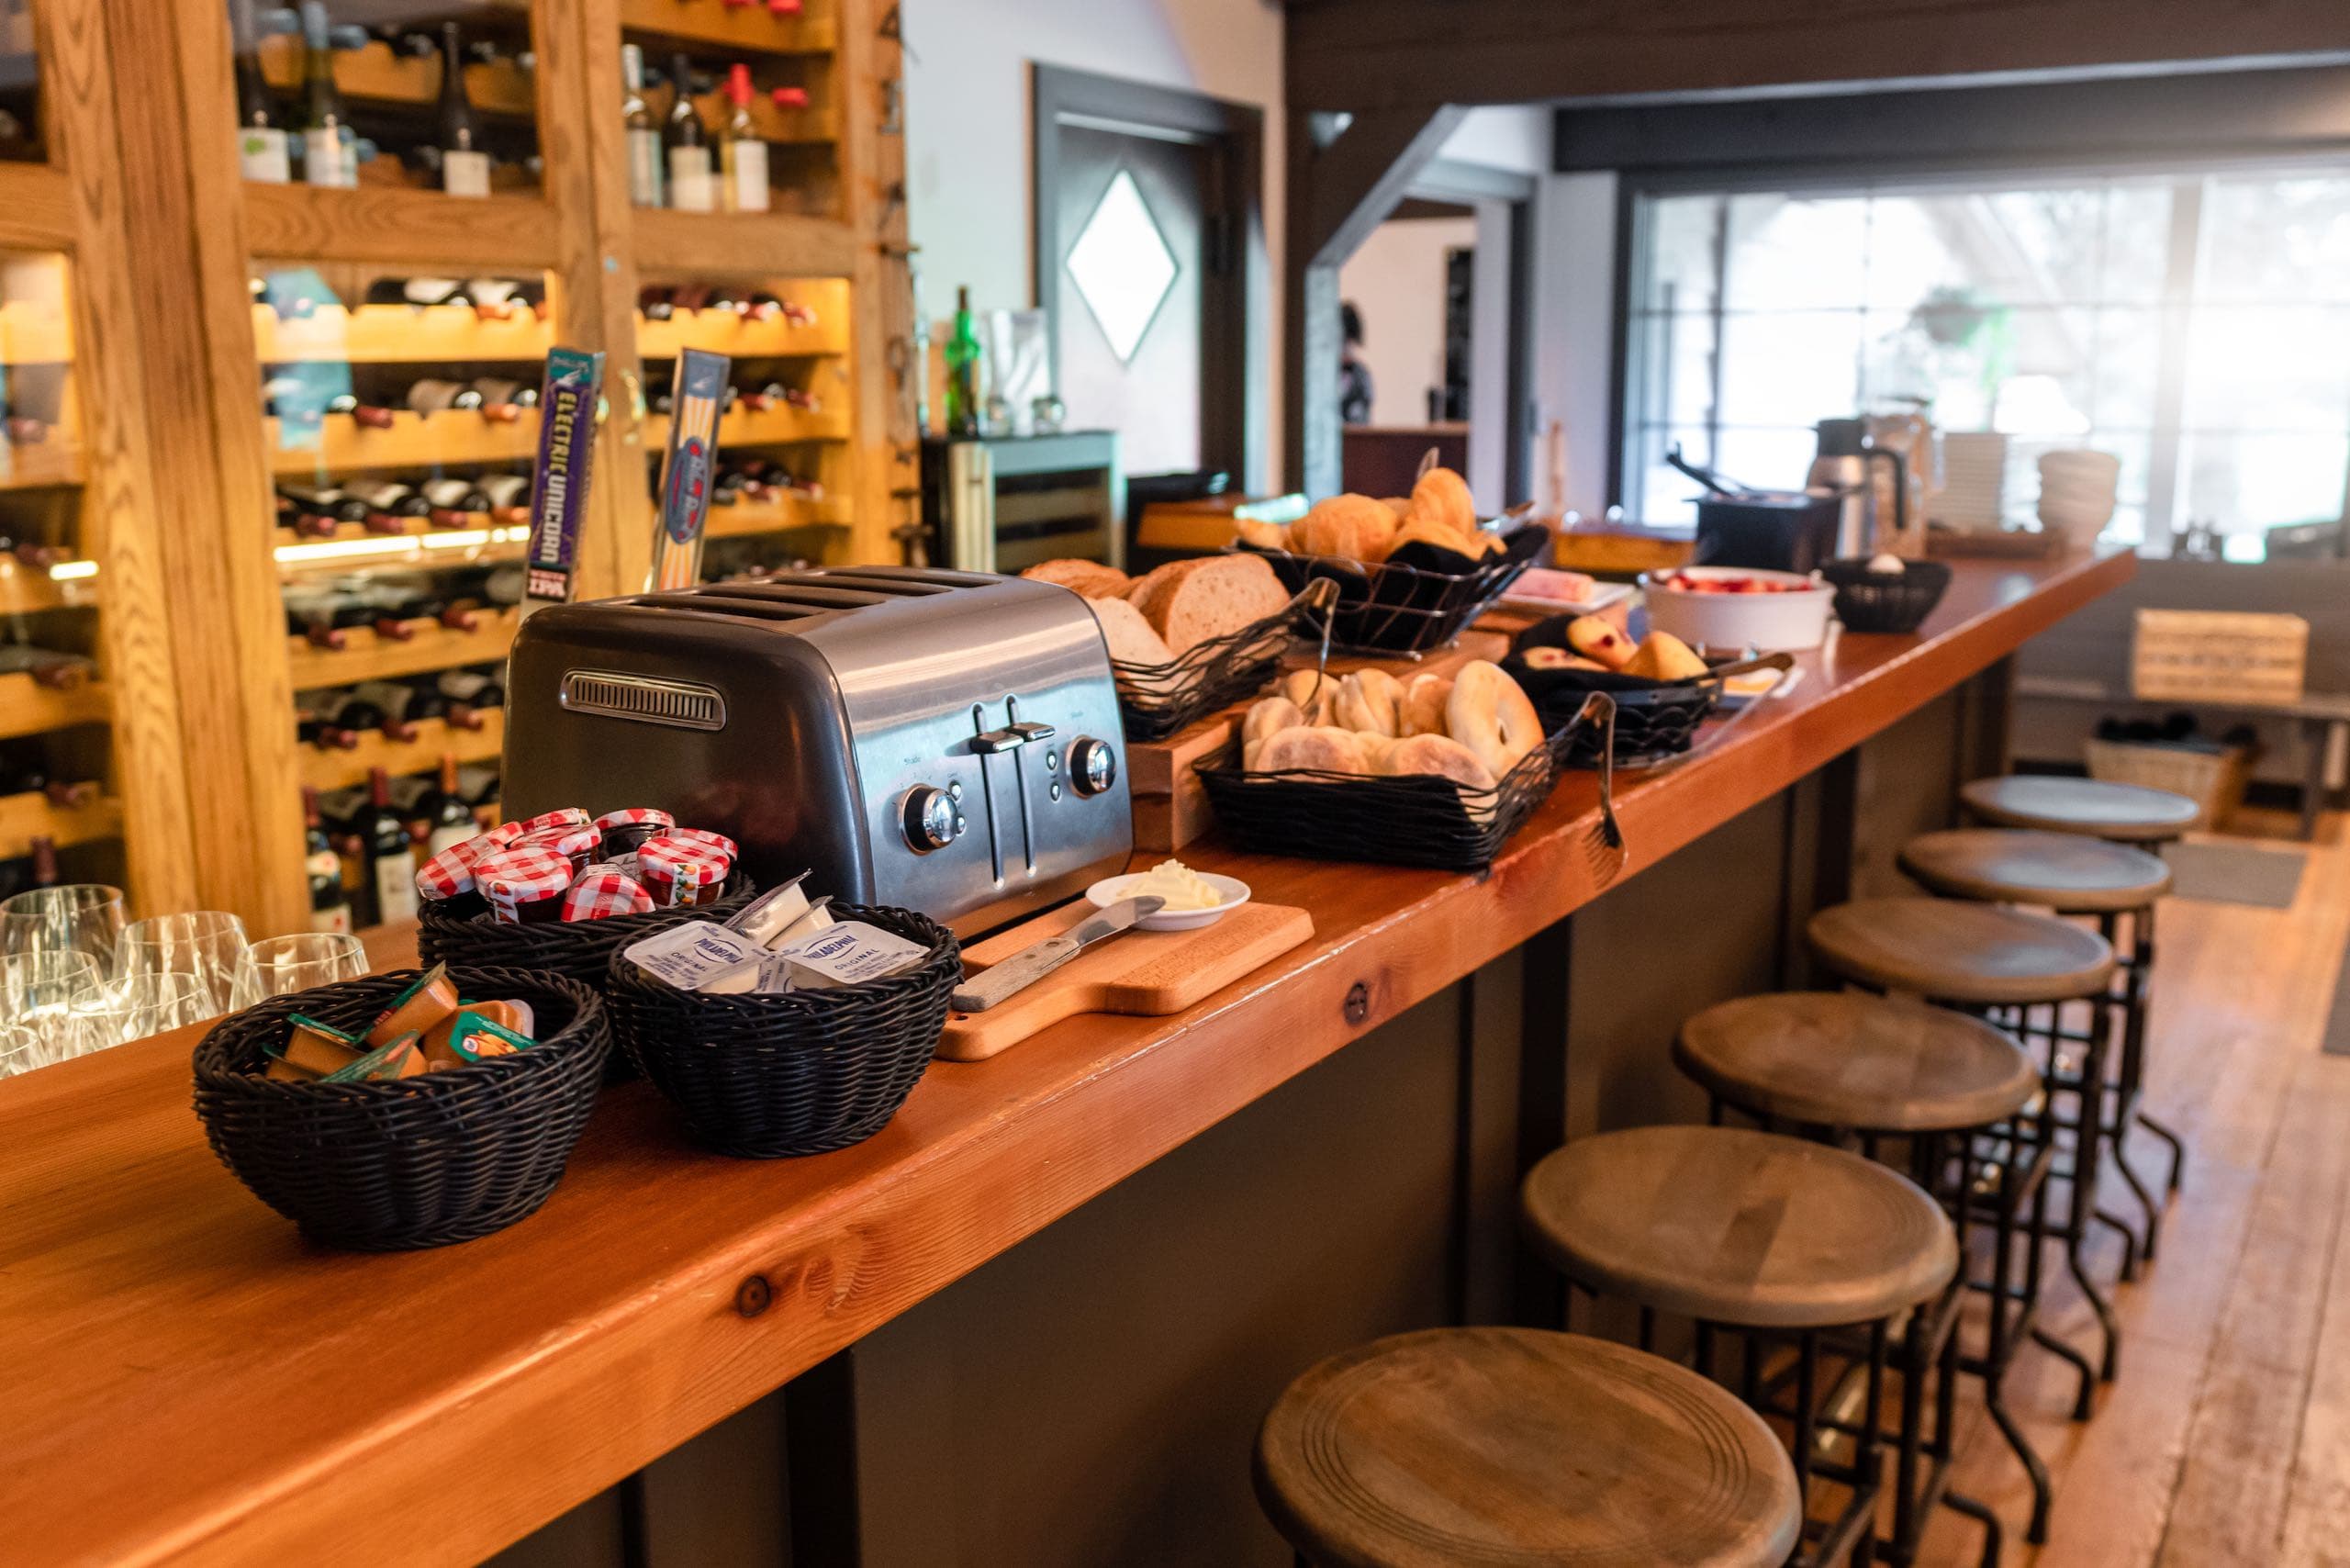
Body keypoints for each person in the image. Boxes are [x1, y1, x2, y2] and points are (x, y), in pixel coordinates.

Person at [1338, 301, 1373, 425]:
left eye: (1350, 342)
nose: (1347, 348)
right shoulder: (1324, 378)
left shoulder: (1361, 375)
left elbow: (1364, 420)